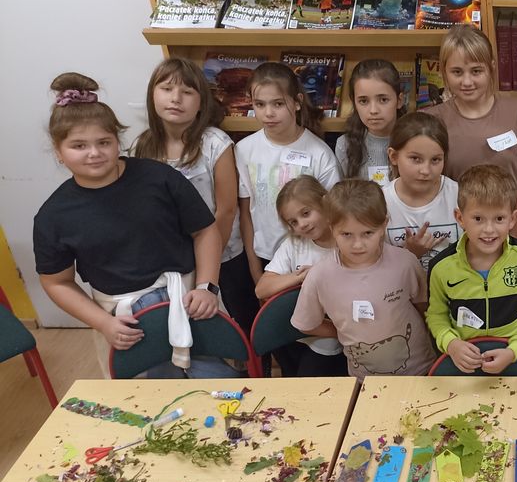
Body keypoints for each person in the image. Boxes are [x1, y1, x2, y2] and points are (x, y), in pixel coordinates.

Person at [33, 72, 225, 378]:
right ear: (58, 152)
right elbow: (56, 281)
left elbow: (205, 230)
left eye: (104, 142)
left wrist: (207, 287)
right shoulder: (54, 216)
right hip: (124, 320)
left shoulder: (158, 178)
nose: (94, 153)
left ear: (117, 141)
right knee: (149, 405)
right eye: (79, 146)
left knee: (218, 385)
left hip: (191, 300)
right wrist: (102, 322)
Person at [132, 58, 259, 335]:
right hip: (170, 262)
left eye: (187, 92)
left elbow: (226, 210)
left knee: (239, 327)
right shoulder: (142, 146)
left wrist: (206, 261)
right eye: (166, 89)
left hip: (223, 257)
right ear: (152, 94)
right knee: (189, 329)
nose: (176, 98)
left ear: (201, 102)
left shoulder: (215, 143)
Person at [291, 179, 434, 378]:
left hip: (421, 371)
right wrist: (341, 331)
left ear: (384, 224)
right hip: (364, 380)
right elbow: (306, 323)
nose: (358, 245)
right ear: (332, 228)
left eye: (368, 233)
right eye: (347, 234)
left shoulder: (406, 263)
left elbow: (423, 307)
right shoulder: (319, 276)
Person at [425, 164, 517, 375]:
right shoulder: (441, 267)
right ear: (460, 218)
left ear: (513, 219)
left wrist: (515, 350)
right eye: (478, 219)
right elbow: (436, 316)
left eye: (499, 219)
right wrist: (451, 343)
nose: (489, 229)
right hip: (463, 366)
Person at [423, 24, 517, 239]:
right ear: (444, 72)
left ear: (491, 68)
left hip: (514, 230)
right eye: (457, 72)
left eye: (476, 71)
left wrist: (512, 239)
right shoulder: (433, 121)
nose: (467, 81)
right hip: (457, 234)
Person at [235, 62, 340, 290]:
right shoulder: (244, 150)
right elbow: (246, 213)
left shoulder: (319, 153)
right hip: (265, 258)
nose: (268, 113)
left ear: (297, 102)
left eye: (278, 104)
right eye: (260, 104)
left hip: (312, 257)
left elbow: (334, 213)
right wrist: (255, 270)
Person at [254, 176, 346, 377]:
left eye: (306, 213)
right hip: (295, 339)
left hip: (334, 341)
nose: (302, 225)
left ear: (325, 202)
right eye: (293, 221)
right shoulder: (294, 245)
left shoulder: (347, 239)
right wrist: (300, 277)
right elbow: (262, 288)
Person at [382, 111, 460, 270]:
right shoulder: (381, 202)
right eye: (416, 159)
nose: (425, 170)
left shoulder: (459, 195)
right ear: (394, 156)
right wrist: (410, 253)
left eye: (435, 160)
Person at [334, 59, 403, 182]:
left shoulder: (415, 142)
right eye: (363, 101)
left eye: (383, 100)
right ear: (354, 102)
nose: (373, 110)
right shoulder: (345, 145)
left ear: (399, 100)